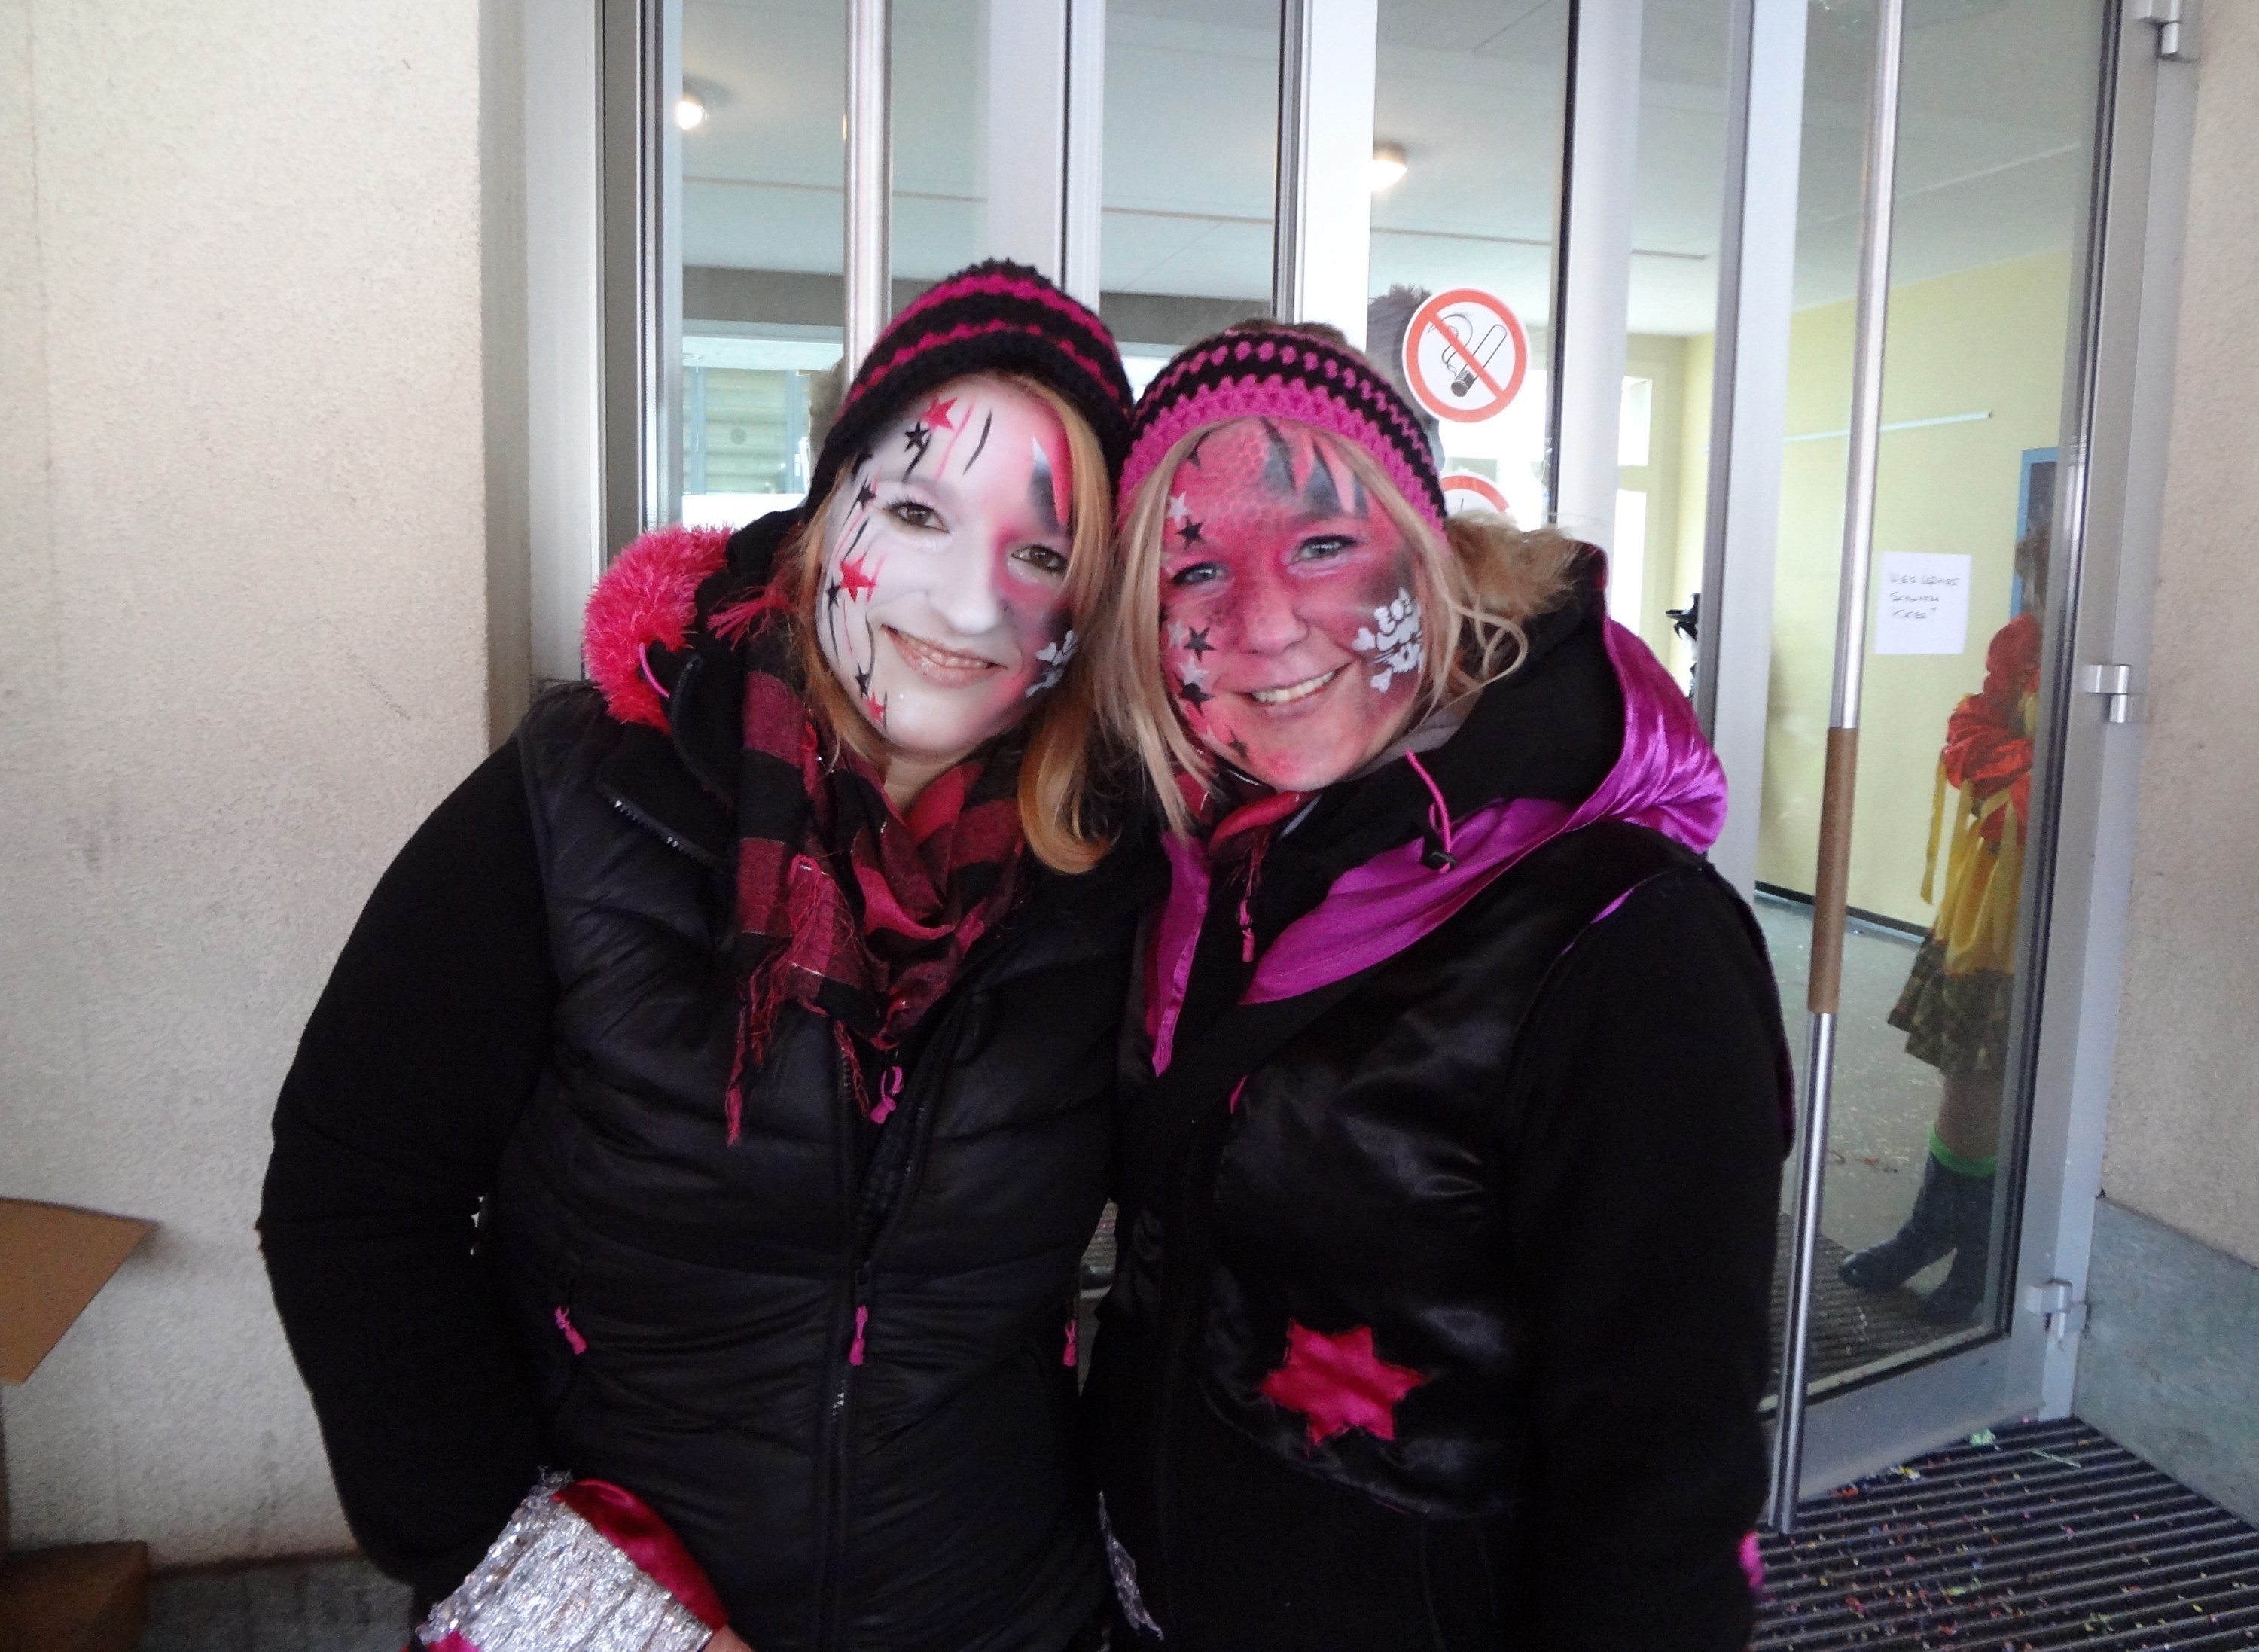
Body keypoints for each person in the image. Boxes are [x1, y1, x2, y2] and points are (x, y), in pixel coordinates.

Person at [259, 261, 1156, 1652]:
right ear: (828, 508)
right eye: (920, 512)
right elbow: (356, 1193)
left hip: (997, 1611)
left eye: (1041, 556)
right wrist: (553, 1595)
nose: (971, 607)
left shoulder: (1116, 869)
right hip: (620, 1602)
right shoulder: (584, 795)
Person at [1081, 324, 1792, 1651]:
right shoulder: (1198, 859)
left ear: (1435, 553)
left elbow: (1665, 1495)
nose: (1263, 624)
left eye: (1322, 545)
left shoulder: (1626, 941)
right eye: (1197, 568)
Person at [1840, 529, 2049, 1325]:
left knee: (2011, 1077)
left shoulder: (2111, 654)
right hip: (1993, 886)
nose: (2036, 601)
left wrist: (2014, 765)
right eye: (2034, 585)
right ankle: (1936, 1228)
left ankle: (1981, 1253)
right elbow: (1977, 735)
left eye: (2045, 584)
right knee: (1969, 1067)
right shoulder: (2028, 646)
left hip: (2052, 894)